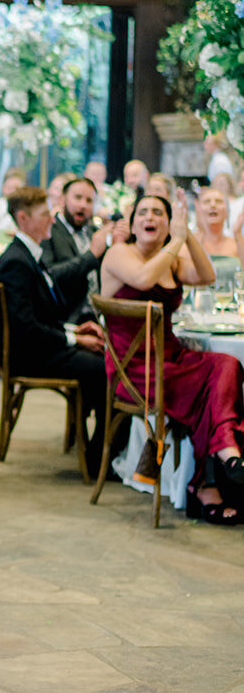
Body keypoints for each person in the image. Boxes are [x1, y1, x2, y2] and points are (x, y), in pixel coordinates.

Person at [101, 192, 244, 523]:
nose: (150, 217)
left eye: (159, 213)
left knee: (227, 364)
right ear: (133, 223)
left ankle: (222, 460)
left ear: (168, 223)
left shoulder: (173, 259)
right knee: (207, 390)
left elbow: (208, 276)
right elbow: (142, 279)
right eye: (143, 213)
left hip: (172, 357)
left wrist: (187, 234)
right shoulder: (119, 253)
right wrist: (174, 240)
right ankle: (213, 476)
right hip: (135, 369)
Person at [0, 186, 108, 477]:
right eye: (45, 214)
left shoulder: (30, 254)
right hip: (30, 355)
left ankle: (98, 449)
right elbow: (26, 329)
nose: (52, 220)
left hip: (42, 346)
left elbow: (41, 315)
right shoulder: (16, 262)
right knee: (104, 367)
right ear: (23, 218)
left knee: (101, 356)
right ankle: (100, 457)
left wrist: (73, 328)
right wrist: (74, 339)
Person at [41, 174, 116, 322]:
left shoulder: (93, 232)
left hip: (99, 316)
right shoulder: (49, 232)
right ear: (63, 200)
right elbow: (50, 277)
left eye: (89, 201)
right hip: (66, 318)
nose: (83, 205)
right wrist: (91, 255)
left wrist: (117, 244)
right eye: (77, 198)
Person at [190, 186, 242, 289]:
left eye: (218, 201)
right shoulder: (188, 244)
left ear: (226, 211)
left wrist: (238, 234)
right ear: (198, 209)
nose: (213, 205)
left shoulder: (237, 242)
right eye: (207, 202)